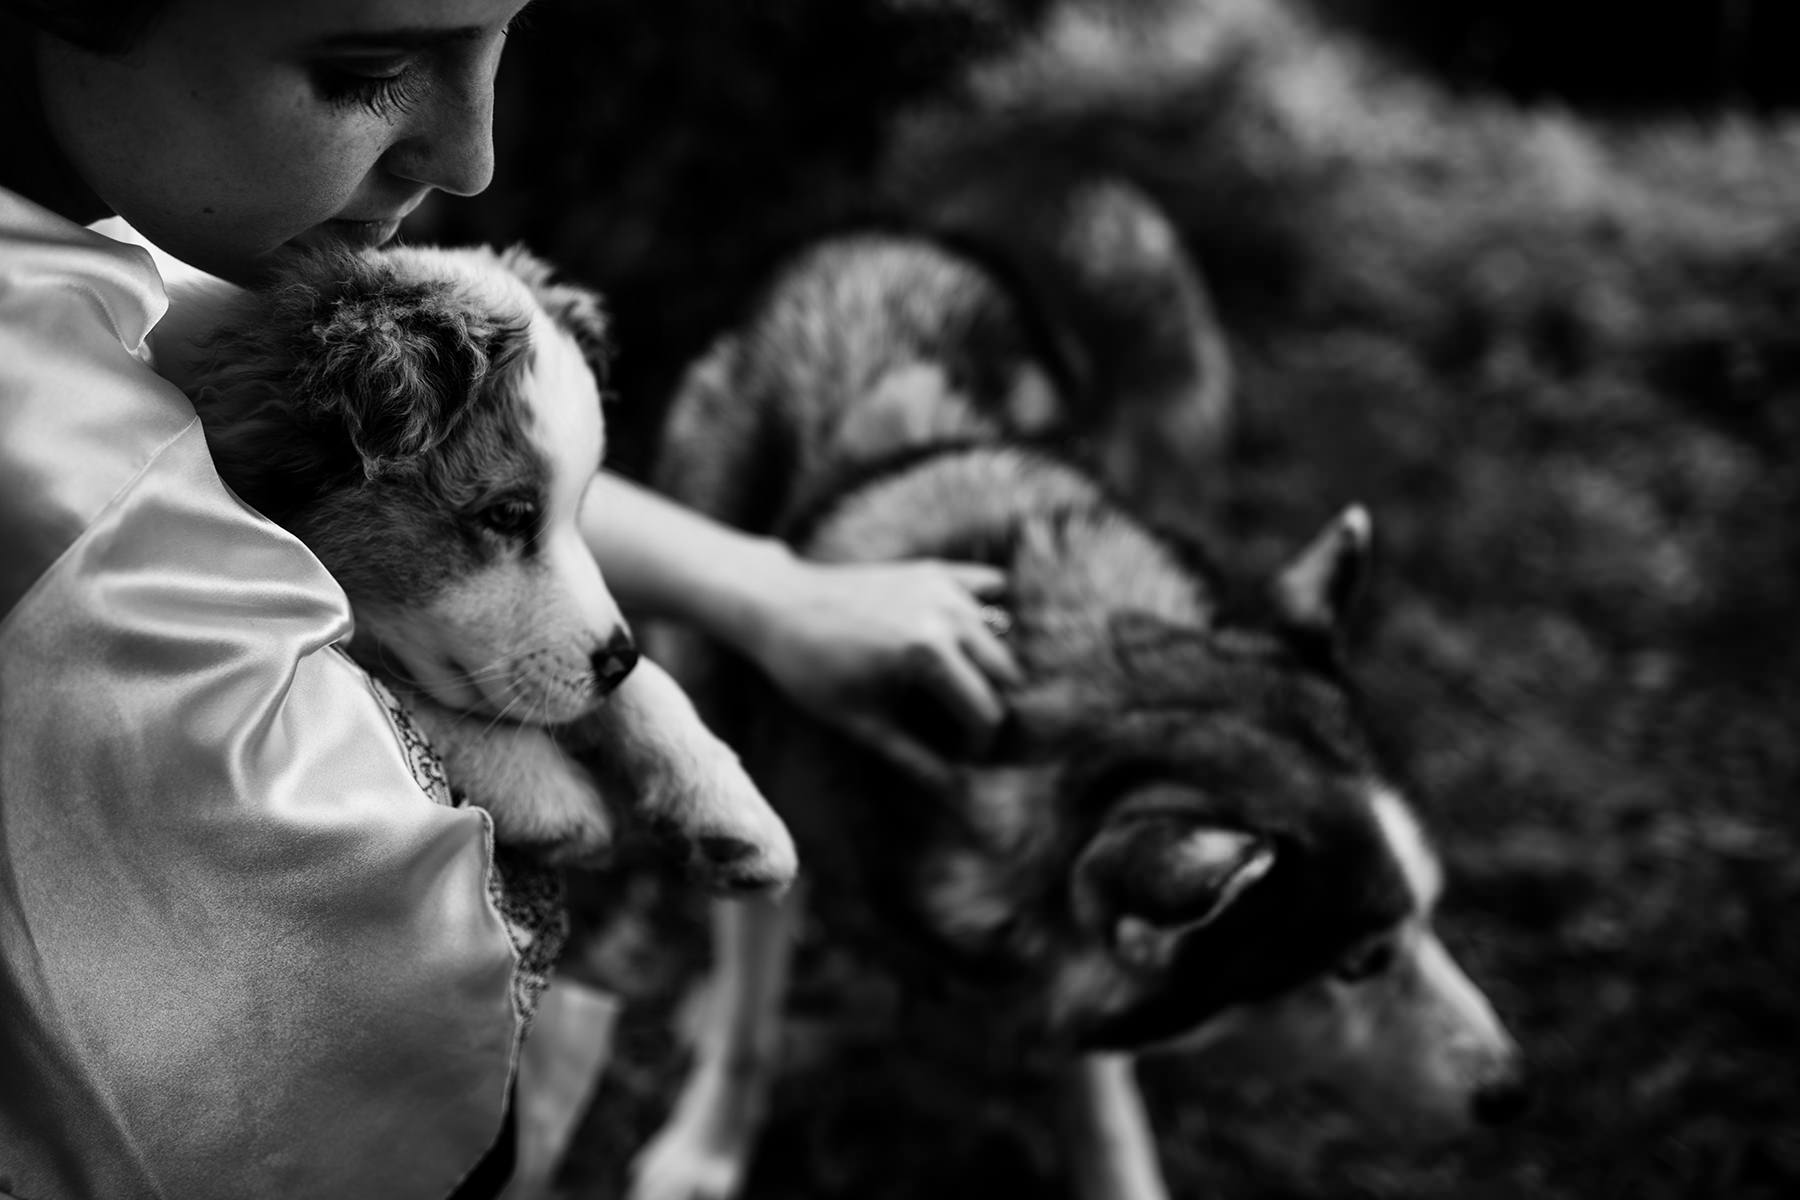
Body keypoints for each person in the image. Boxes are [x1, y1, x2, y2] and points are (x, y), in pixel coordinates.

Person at [0, 2, 1020, 1198]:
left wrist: (769, 590)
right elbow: (379, 954)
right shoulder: (70, 488)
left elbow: (445, 463)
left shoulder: (106, 212)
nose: (475, 159)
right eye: (370, 70)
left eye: (504, 35)